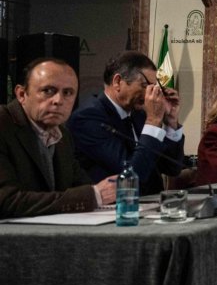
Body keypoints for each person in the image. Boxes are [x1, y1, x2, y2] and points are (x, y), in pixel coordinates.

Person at [0, 58, 116, 218]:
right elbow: (6, 201)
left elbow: (82, 185)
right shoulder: (3, 124)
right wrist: (94, 195)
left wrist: (112, 193)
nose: (58, 101)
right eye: (48, 91)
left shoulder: (62, 135)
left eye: (67, 93)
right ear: (21, 94)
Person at [68, 51, 185, 196]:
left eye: (154, 87)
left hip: (153, 203)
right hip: (117, 206)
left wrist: (171, 122)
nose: (149, 94)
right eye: (145, 85)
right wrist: (153, 121)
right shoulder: (87, 118)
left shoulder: (140, 114)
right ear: (118, 82)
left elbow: (172, 168)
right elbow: (131, 176)